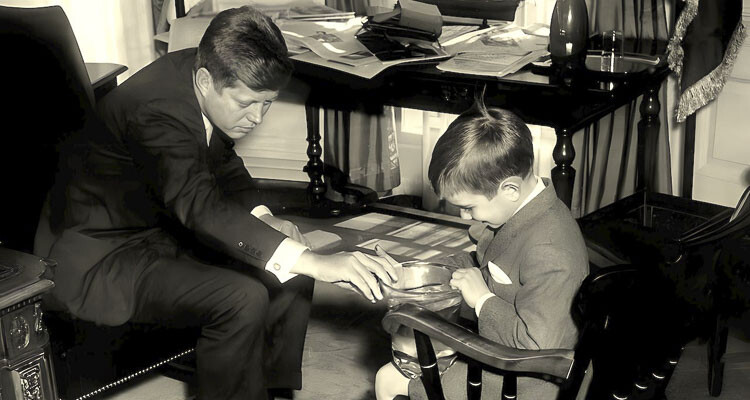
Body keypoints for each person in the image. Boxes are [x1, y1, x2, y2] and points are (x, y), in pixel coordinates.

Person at [34, 6, 397, 400]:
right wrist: (314, 261)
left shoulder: (201, 70)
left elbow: (224, 167)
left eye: (268, 103)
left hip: (157, 230)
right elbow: (200, 205)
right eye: (246, 104)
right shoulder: (156, 110)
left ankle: (270, 391)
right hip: (101, 258)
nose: (257, 118)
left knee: (288, 263)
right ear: (206, 81)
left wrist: (267, 220)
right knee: (244, 294)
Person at [374, 102, 589, 399]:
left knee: (388, 379)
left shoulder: (549, 251)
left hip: (534, 380)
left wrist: (482, 300)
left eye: (468, 207)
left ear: (510, 190)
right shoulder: (518, 210)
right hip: (504, 348)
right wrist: (414, 274)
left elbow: (535, 347)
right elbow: (479, 262)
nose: (464, 217)